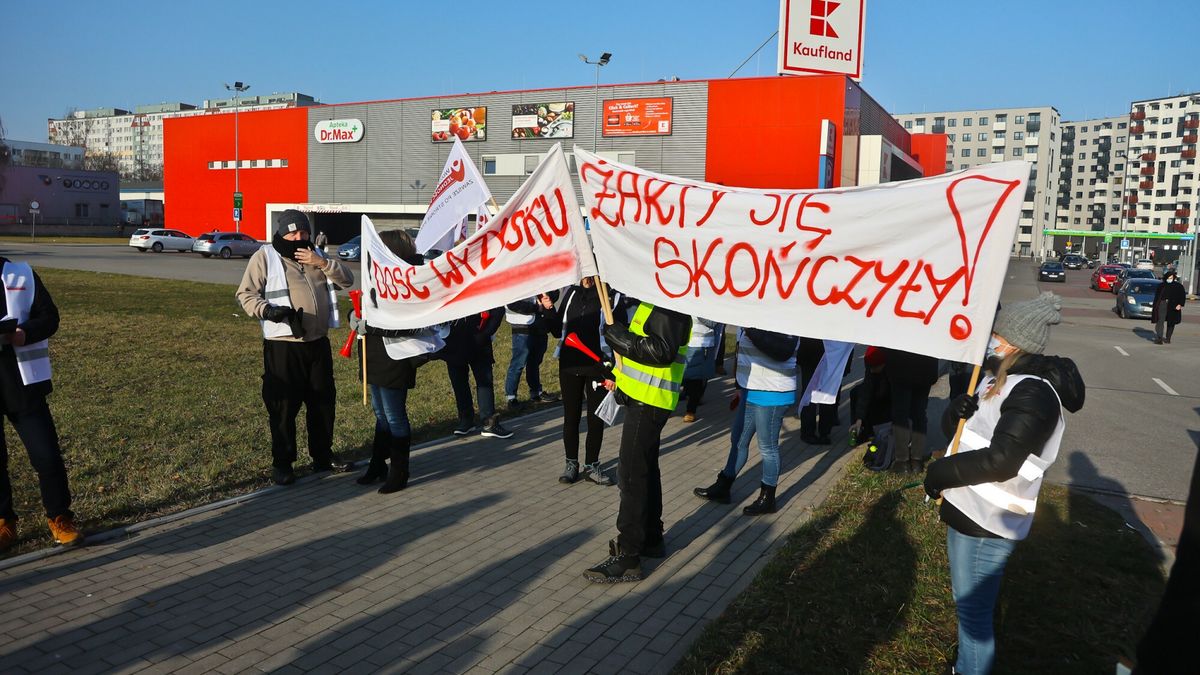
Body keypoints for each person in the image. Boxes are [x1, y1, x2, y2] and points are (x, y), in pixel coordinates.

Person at [923, 292, 1085, 675]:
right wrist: (955, 410)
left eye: (997, 332)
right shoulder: (1003, 379)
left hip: (990, 521)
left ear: (1015, 340)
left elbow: (1001, 461)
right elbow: (962, 436)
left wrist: (937, 475)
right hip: (968, 508)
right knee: (971, 608)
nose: (991, 337)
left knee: (973, 616)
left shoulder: (1033, 392)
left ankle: (970, 668)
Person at [236, 209, 353, 486]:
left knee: (323, 403)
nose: (299, 238)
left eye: (303, 233)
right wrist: (266, 310)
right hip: (283, 346)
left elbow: (347, 280)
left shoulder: (316, 255)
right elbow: (245, 294)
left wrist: (321, 262)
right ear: (281, 234)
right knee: (284, 407)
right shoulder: (265, 256)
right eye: (292, 233)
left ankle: (323, 457)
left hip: (317, 343)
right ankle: (283, 464)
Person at [584, 302, 690, 583]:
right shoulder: (654, 301)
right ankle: (651, 538)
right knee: (644, 469)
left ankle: (629, 555)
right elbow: (641, 357)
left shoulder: (670, 304)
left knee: (630, 474)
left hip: (650, 402)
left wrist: (618, 336)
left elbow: (660, 351)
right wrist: (619, 380)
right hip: (642, 398)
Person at [351, 230, 443, 493]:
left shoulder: (410, 278)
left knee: (394, 416)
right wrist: (354, 316)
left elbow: (409, 323)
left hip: (396, 355)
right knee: (380, 414)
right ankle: (378, 463)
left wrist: (372, 326)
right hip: (374, 353)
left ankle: (399, 471)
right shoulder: (378, 273)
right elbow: (369, 307)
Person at [0, 258, 82, 551]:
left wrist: (25, 333)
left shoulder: (20, 274)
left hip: (22, 383)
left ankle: (59, 517)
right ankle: (4, 521)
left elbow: (50, 317)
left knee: (46, 455)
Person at [693, 327, 799, 516]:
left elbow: (784, 351)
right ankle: (723, 486)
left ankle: (768, 499)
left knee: (767, 447)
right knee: (738, 439)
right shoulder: (755, 309)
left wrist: (751, 328)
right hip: (750, 388)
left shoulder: (785, 312)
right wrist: (738, 385)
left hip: (772, 390)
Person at [544, 279, 614, 486]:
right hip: (569, 365)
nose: (586, 276)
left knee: (595, 419)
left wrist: (613, 372)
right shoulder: (571, 293)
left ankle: (592, 465)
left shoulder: (607, 294)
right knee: (571, 416)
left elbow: (616, 332)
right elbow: (558, 330)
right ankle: (571, 464)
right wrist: (548, 309)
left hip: (598, 367)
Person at [443, 308, 512, 439]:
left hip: (479, 337)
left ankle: (489, 421)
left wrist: (486, 333)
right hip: (453, 340)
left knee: (484, 381)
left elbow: (497, 310)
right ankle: (466, 419)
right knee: (459, 382)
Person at [884, 347, 939, 473]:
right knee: (919, 412)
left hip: (901, 363)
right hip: (926, 364)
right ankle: (916, 460)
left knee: (900, 414)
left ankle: (902, 460)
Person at [503, 293, 559, 410]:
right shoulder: (513, 278)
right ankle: (511, 397)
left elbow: (554, 292)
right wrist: (536, 306)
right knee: (518, 362)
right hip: (522, 324)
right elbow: (512, 303)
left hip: (541, 322)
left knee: (535, 361)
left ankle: (536, 393)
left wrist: (548, 298)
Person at [680, 317, 723, 423]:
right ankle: (687, 394)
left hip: (701, 344)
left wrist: (697, 308)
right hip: (683, 342)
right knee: (683, 377)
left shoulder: (709, 302)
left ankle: (691, 410)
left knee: (696, 379)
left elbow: (713, 322)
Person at [796, 337, 838, 444]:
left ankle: (823, 431)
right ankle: (810, 431)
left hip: (827, 353)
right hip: (813, 352)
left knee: (826, 394)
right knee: (811, 394)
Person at [1151, 269, 1186, 345]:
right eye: (1168, 278)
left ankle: (1168, 338)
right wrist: (1155, 305)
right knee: (1160, 321)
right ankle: (1159, 338)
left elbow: (1182, 296)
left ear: (1174, 278)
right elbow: (1157, 297)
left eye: (1171, 278)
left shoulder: (1178, 286)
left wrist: (1180, 304)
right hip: (1162, 304)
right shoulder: (1161, 285)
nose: (1170, 279)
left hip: (1173, 305)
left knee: (1171, 322)